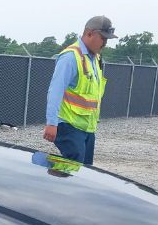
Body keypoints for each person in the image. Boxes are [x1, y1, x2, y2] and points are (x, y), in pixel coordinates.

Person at [43, 16, 117, 165]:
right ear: (89, 34)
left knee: (85, 172)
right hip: (69, 126)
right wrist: (52, 123)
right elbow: (55, 91)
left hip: (87, 128)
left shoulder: (94, 59)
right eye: (103, 38)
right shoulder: (71, 57)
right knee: (74, 168)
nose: (105, 43)